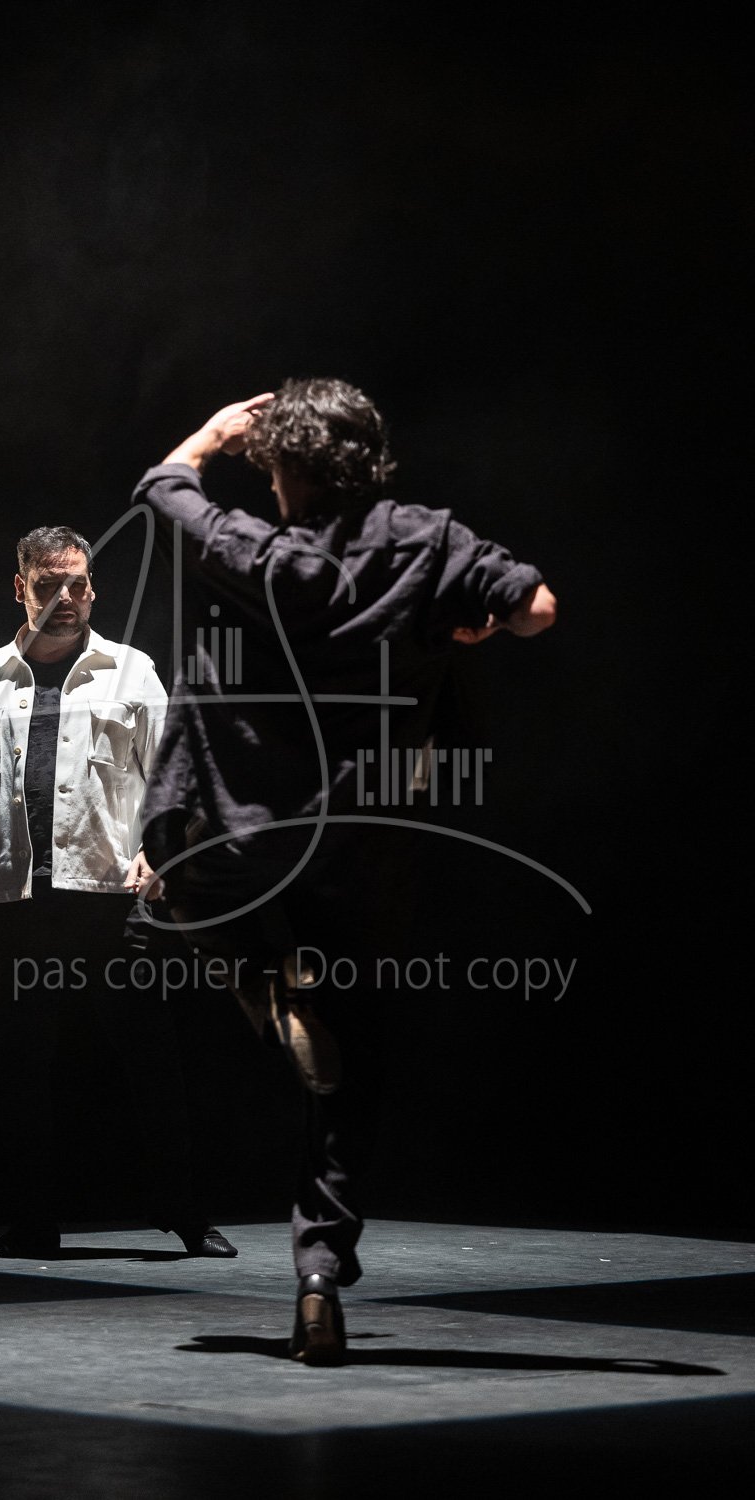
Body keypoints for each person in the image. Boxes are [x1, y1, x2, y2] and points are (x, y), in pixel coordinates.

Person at [130, 379, 556, 1361]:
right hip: (364, 843)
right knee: (351, 1063)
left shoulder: (255, 549)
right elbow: (537, 607)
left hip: (241, 831)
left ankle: (264, 986)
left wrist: (210, 436)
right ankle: (319, 1274)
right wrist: (480, 624)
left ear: (283, 469)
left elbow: (161, 488)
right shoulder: (426, 540)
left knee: (177, 889)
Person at [0, 524, 236, 1260]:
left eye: (78, 584)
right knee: (19, 1067)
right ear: (21, 589)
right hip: (14, 900)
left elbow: (177, 775)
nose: (67, 598)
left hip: (112, 894)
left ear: (92, 588)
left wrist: (162, 853)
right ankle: (31, 1223)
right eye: (49, 585)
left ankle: (184, 1213)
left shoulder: (130, 671)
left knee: (149, 1055)